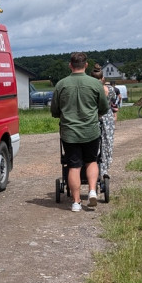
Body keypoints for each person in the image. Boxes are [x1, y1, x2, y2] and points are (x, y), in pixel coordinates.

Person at [51, 52, 109, 212]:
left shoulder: (61, 85)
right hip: (90, 131)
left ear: (70, 65)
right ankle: (91, 191)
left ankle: (76, 202)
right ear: (86, 65)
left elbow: (54, 110)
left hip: (69, 133)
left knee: (74, 166)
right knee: (91, 161)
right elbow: (104, 107)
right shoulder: (95, 84)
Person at [92, 64, 118, 179]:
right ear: (102, 78)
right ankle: (104, 169)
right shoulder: (111, 90)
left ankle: (94, 168)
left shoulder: (90, 89)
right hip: (107, 117)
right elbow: (113, 103)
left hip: (94, 116)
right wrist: (115, 114)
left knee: (94, 143)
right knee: (107, 142)